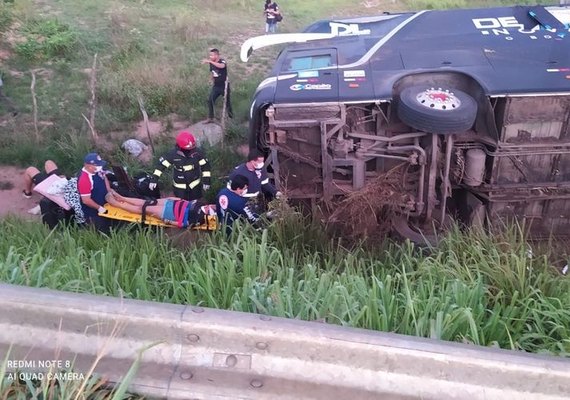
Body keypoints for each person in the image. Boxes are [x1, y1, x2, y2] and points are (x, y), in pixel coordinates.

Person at [149, 130, 211, 201]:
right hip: (180, 188)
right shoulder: (173, 155)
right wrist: (154, 179)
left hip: (195, 187)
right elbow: (161, 166)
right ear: (180, 147)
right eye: (188, 149)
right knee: (181, 206)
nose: (191, 150)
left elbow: (206, 166)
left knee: (195, 205)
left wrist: (207, 181)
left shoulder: (198, 153)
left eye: (192, 148)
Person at [104, 191, 214, 229]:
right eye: (212, 206)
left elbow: (183, 224)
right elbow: (186, 201)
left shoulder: (200, 219)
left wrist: (169, 221)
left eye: (212, 209)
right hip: (171, 203)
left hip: (170, 213)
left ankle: (117, 204)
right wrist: (171, 199)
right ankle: (122, 198)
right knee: (145, 202)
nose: (211, 207)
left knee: (144, 208)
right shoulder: (202, 204)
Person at [78, 152, 112, 232]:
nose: (100, 167)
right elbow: (86, 200)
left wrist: (109, 191)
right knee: (100, 230)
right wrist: (99, 208)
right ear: (88, 166)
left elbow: (104, 177)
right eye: (97, 165)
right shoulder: (84, 180)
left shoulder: (97, 170)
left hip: (106, 204)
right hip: (94, 212)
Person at [201, 48, 233, 122]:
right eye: (210, 55)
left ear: (216, 55)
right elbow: (213, 72)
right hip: (216, 86)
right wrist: (211, 79)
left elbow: (221, 66)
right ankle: (211, 117)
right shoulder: (211, 63)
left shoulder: (222, 61)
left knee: (227, 103)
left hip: (224, 86)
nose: (210, 57)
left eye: (211, 55)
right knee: (210, 100)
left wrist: (209, 61)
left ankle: (231, 118)